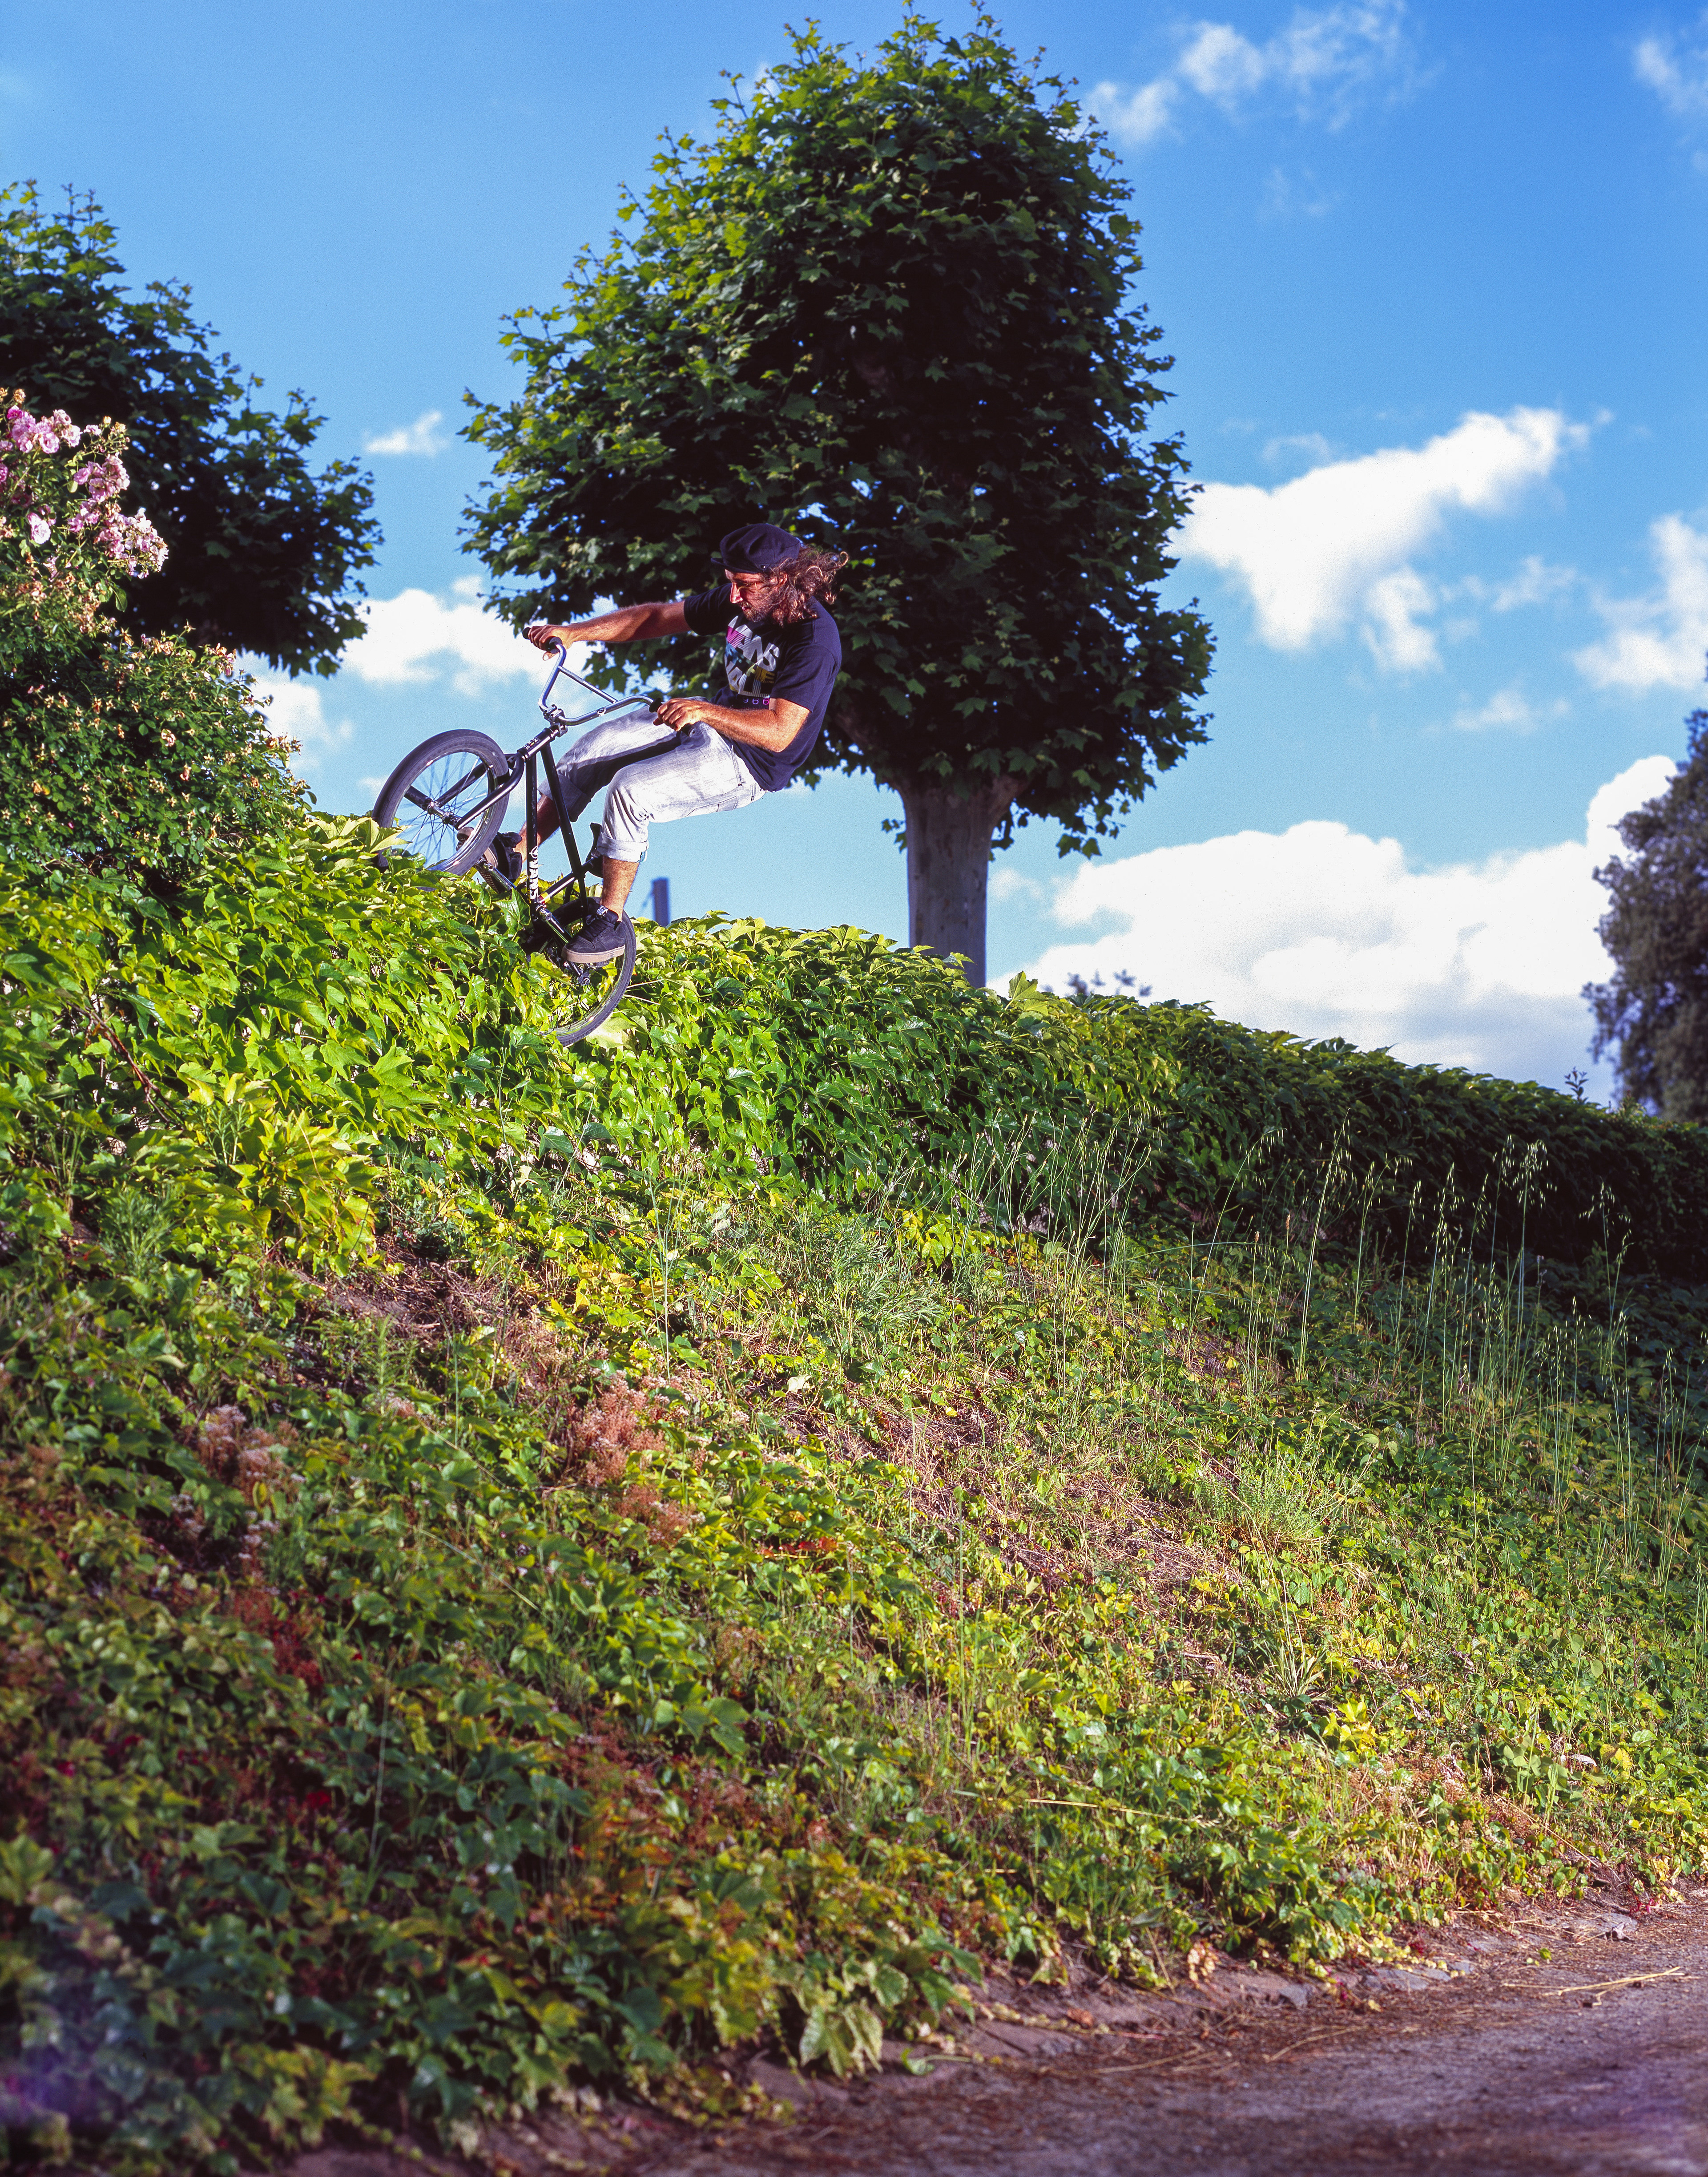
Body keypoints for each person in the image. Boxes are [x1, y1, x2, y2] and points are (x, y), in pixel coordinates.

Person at [506, 522, 846, 961]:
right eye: (731, 585)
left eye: (743, 587)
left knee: (631, 790)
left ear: (781, 580)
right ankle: (516, 854)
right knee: (589, 752)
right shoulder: (741, 599)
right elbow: (655, 618)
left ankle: (609, 922)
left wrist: (706, 710)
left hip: (751, 764)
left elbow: (780, 732)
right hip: (712, 721)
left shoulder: (814, 639)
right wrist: (574, 632)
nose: (735, 598)